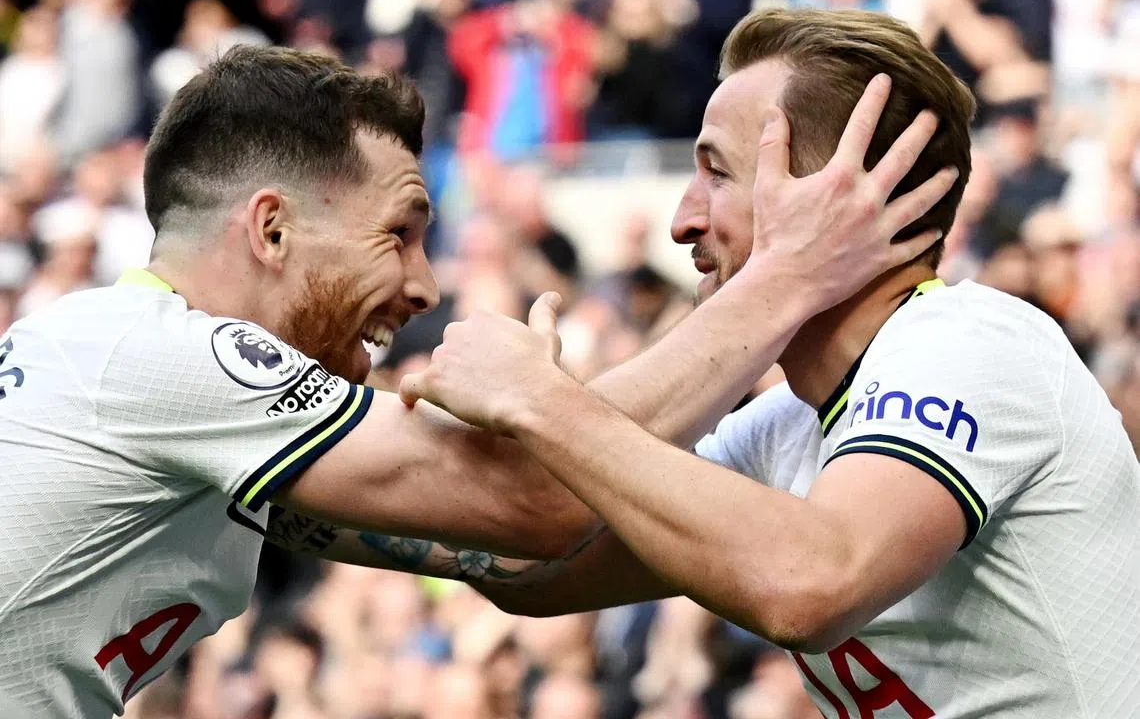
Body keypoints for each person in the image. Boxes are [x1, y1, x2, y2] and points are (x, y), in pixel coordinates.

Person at [0, 41, 948, 717]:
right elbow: (531, 495)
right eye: (399, 233)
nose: (423, 284)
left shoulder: (130, 368)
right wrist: (789, 273)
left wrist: (556, 420)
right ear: (272, 229)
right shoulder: (173, 357)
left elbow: (522, 559)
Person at [396, 8, 1140, 717]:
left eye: (717, 173)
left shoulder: (969, 341)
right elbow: (526, 572)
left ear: (839, 197)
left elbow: (810, 584)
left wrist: (543, 402)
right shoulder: (783, 428)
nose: (682, 219)